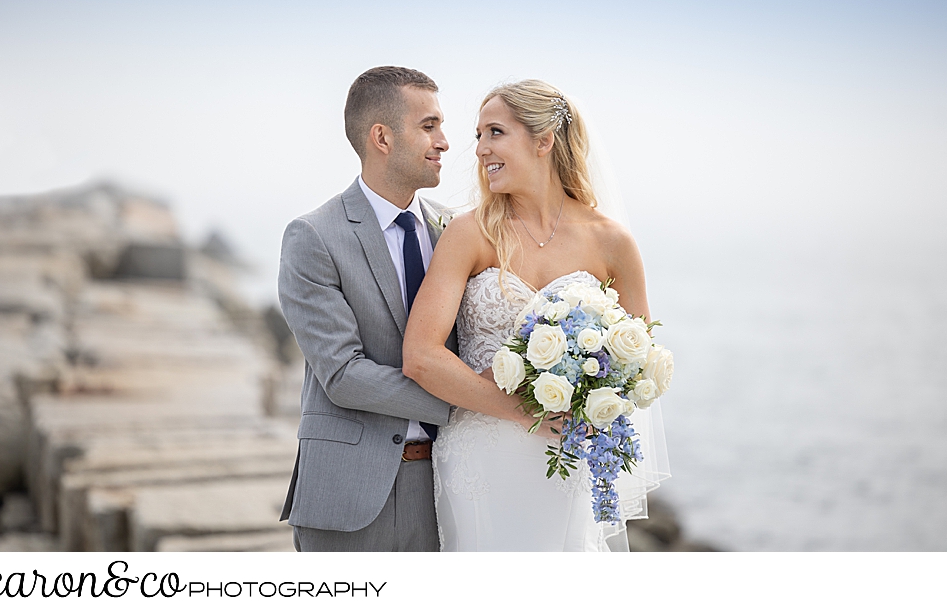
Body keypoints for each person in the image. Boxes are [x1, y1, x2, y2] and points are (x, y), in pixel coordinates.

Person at [403, 79, 668, 551]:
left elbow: (637, 362)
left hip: (567, 463)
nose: (480, 149)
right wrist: (520, 408)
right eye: (479, 135)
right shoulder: (469, 233)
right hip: (481, 461)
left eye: (495, 133)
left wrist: (594, 395)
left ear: (543, 141)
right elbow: (421, 356)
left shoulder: (612, 242)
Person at [277, 66, 462, 552]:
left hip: (449, 489)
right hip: (349, 496)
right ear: (381, 137)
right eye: (429, 126)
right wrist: (471, 402)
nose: (444, 141)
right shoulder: (313, 237)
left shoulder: (456, 231)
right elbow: (343, 374)